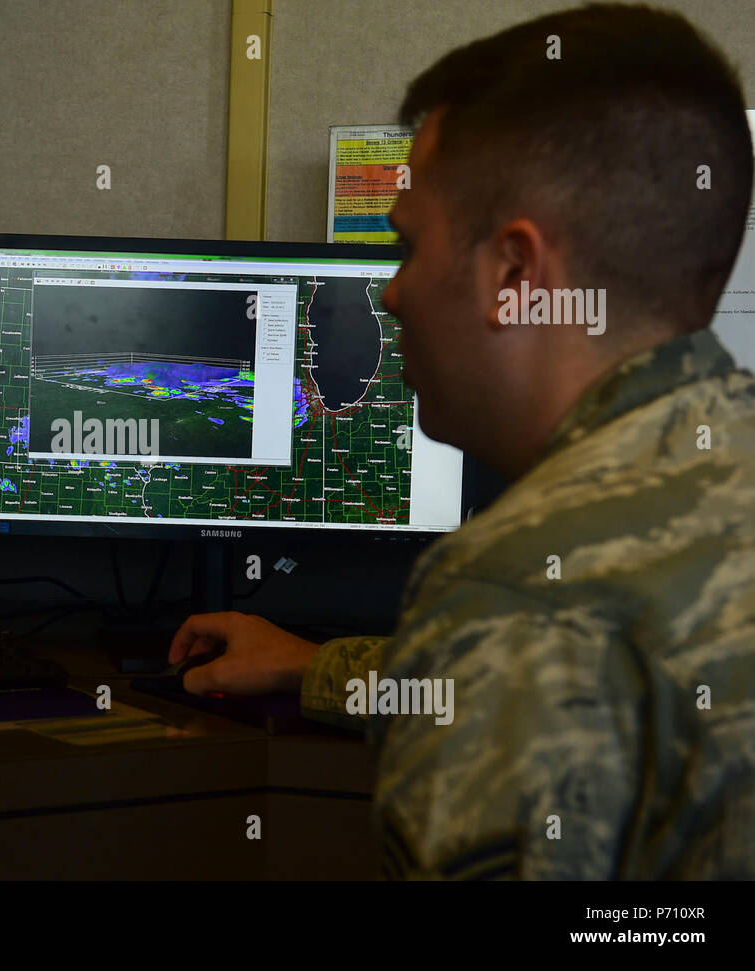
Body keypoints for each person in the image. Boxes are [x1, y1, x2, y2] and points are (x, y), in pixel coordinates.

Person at [171, 3, 755, 879]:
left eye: (405, 247)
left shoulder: (513, 586)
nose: (394, 294)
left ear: (515, 275)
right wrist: (318, 667)